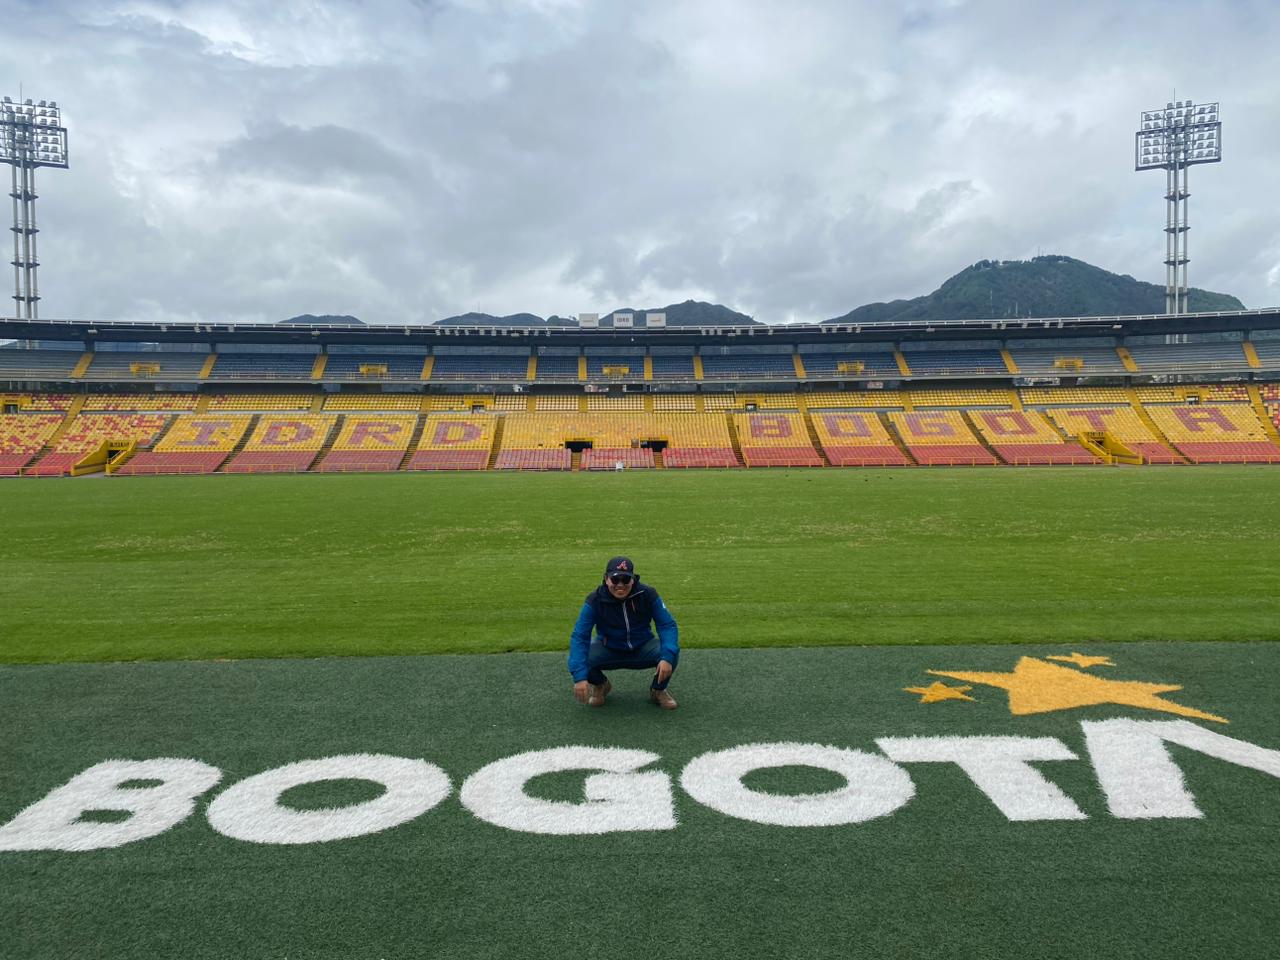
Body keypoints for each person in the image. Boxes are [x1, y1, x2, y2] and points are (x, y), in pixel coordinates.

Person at [568, 556, 679, 710]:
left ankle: (658, 690)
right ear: (606, 579)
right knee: (581, 657)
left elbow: (667, 625)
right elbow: (580, 636)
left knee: (671, 651)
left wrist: (667, 657)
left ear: (633, 580)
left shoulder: (647, 594)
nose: (620, 585)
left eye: (625, 580)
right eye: (615, 580)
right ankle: (601, 685)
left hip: (642, 647)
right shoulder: (594, 600)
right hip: (609, 649)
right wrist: (579, 677)